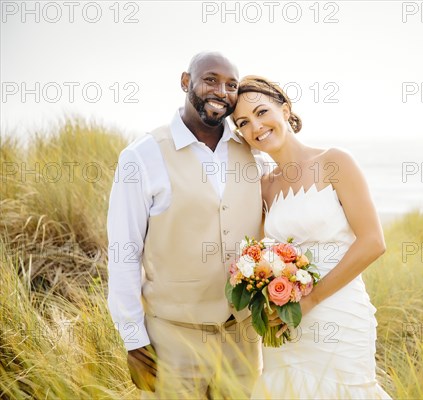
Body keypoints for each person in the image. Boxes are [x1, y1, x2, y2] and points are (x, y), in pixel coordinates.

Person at [106, 53, 263, 399]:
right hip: (173, 338)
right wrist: (133, 340)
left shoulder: (253, 154)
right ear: (185, 82)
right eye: (210, 79)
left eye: (231, 85)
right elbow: (123, 253)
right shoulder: (142, 156)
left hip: (243, 339)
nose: (221, 91)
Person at [232, 76, 391, 399]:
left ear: (285, 110)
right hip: (287, 320)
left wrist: (312, 300)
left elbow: (373, 242)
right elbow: (263, 252)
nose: (256, 127)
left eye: (262, 112)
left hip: (339, 314)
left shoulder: (334, 162)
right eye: (243, 123)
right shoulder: (263, 186)